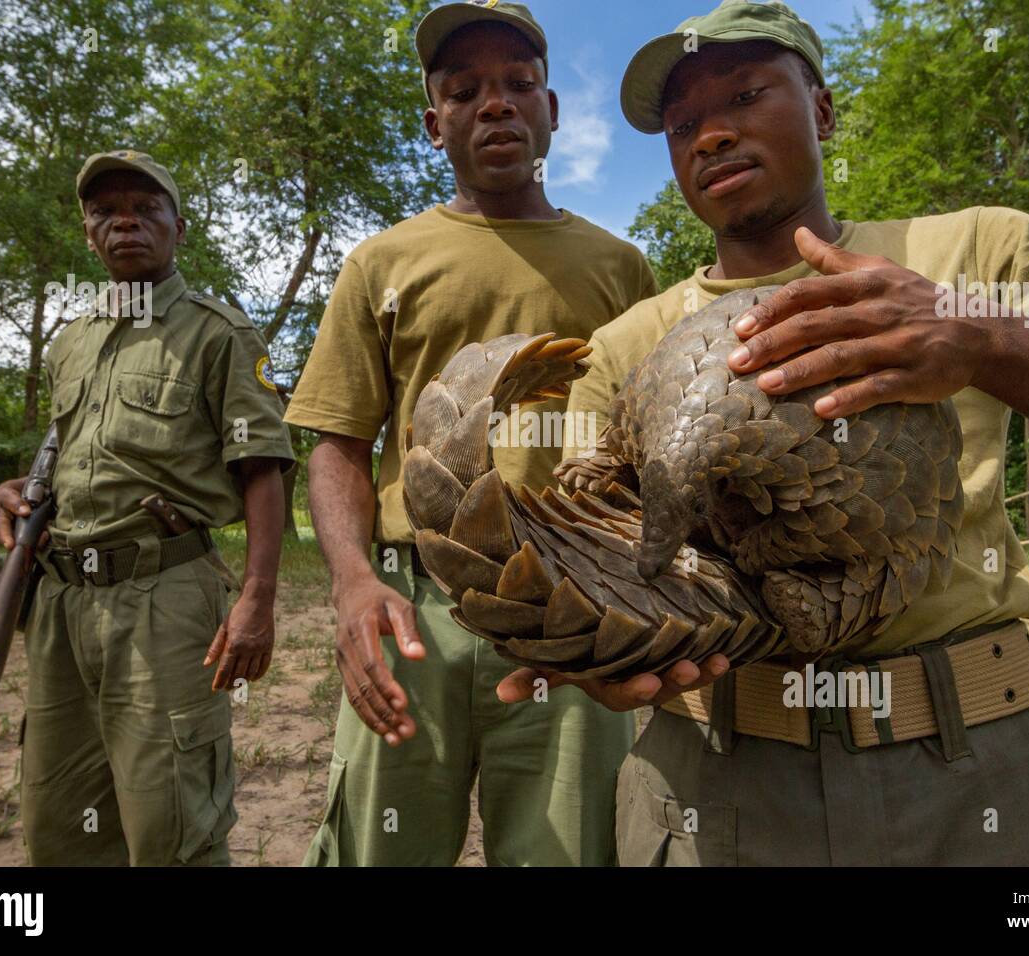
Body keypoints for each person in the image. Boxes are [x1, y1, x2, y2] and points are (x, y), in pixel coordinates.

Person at [497, 0, 1029, 865]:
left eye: (746, 97)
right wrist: (590, 646)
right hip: (714, 779)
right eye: (683, 126)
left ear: (822, 110)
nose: (711, 136)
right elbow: (598, 548)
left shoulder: (976, 252)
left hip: (978, 768)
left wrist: (987, 338)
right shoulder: (629, 342)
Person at [285, 2, 658, 866]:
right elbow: (337, 442)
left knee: (571, 848)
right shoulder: (381, 264)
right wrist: (349, 585)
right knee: (381, 847)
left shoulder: (619, 266)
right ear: (433, 123)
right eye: (465, 90)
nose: (495, 104)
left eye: (518, 84)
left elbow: (641, 446)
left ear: (552, 112)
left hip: (574, 604)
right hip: (416, 610)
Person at [0, 149, 295, 865]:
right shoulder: (71, 342)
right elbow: (67, 452)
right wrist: (17, 491)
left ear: (178, 227)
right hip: (63, 606)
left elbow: (263, 472)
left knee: (173, 826)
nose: (124, 222)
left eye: (145, 208)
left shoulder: (218, 333)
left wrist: (258, 597)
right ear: (89, 234)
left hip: (164, 598)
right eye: (105, 212)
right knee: (59, 819)